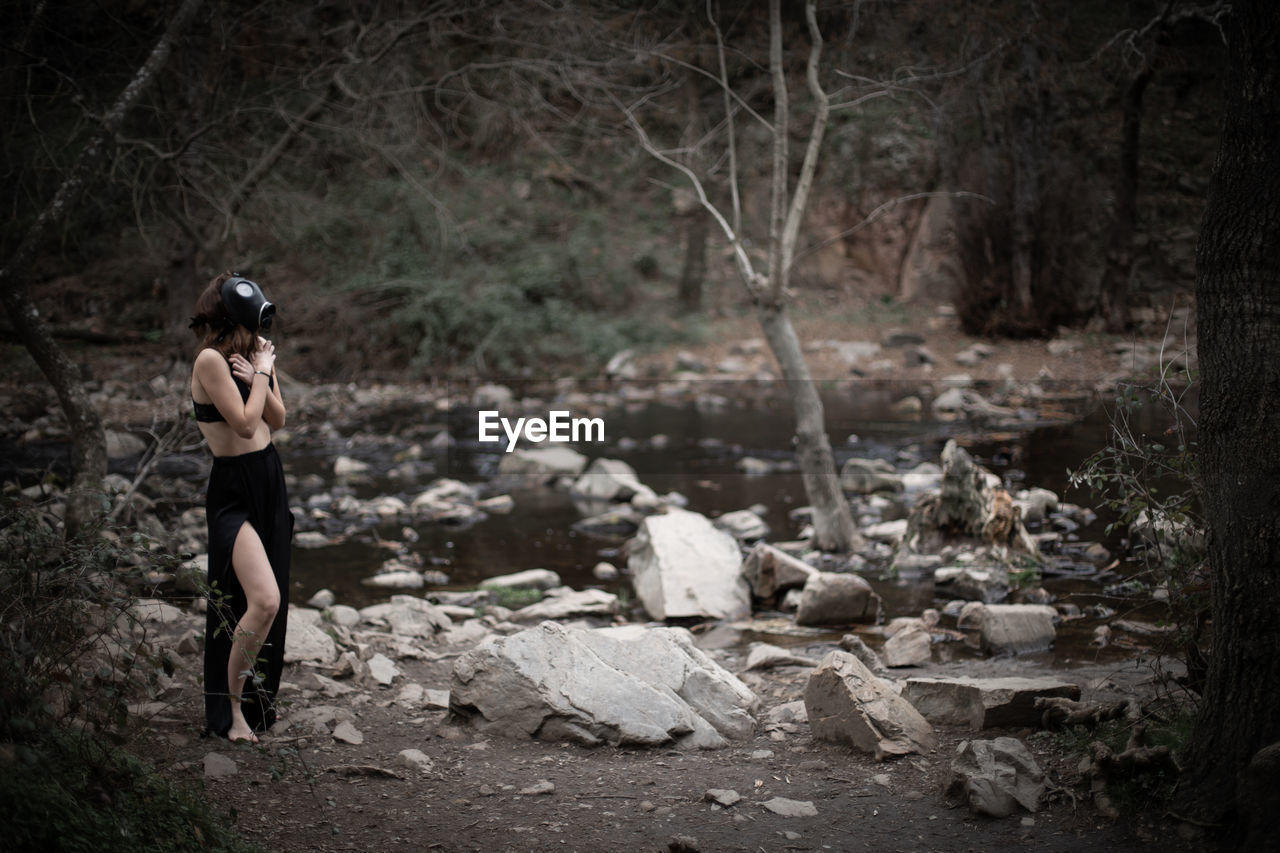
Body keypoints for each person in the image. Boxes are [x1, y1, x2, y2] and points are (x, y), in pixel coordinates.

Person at [188, 271, 291, 743]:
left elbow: (277, 417)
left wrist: (261, 374)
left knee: (274, 600)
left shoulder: (255, 353)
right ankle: (231, 711)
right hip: (234, 488)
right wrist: (263, 375)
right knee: (261, 600)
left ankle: (255, 700)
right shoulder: (210, 360)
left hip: (268, 476)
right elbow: (246, 426)